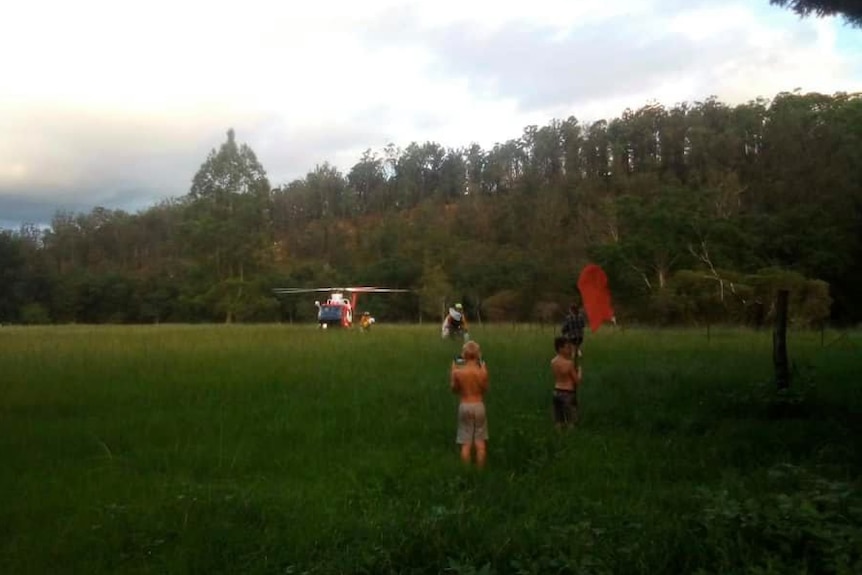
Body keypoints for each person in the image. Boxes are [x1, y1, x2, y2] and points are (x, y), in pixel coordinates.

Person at [450, 340, 489, 467]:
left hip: (465, 404)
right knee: (480, 443)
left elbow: (454, 389)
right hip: (478, 405)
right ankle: (480, 470)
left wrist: (453, 371)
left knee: (466, 443)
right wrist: (483, 368)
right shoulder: (482, 372)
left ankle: (466, 473)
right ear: (478, 355)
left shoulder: (458, 372)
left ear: (464, 355)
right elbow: (485, 389)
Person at [550, 336, 582, 429]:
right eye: (567, 347)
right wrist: (579, 371)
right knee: (571, 420)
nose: (569, 350)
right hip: (567, 393)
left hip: (556, 391)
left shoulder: (553, 362)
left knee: (558, 421)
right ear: (560, 348)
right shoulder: (569, 364)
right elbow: (577, 381)